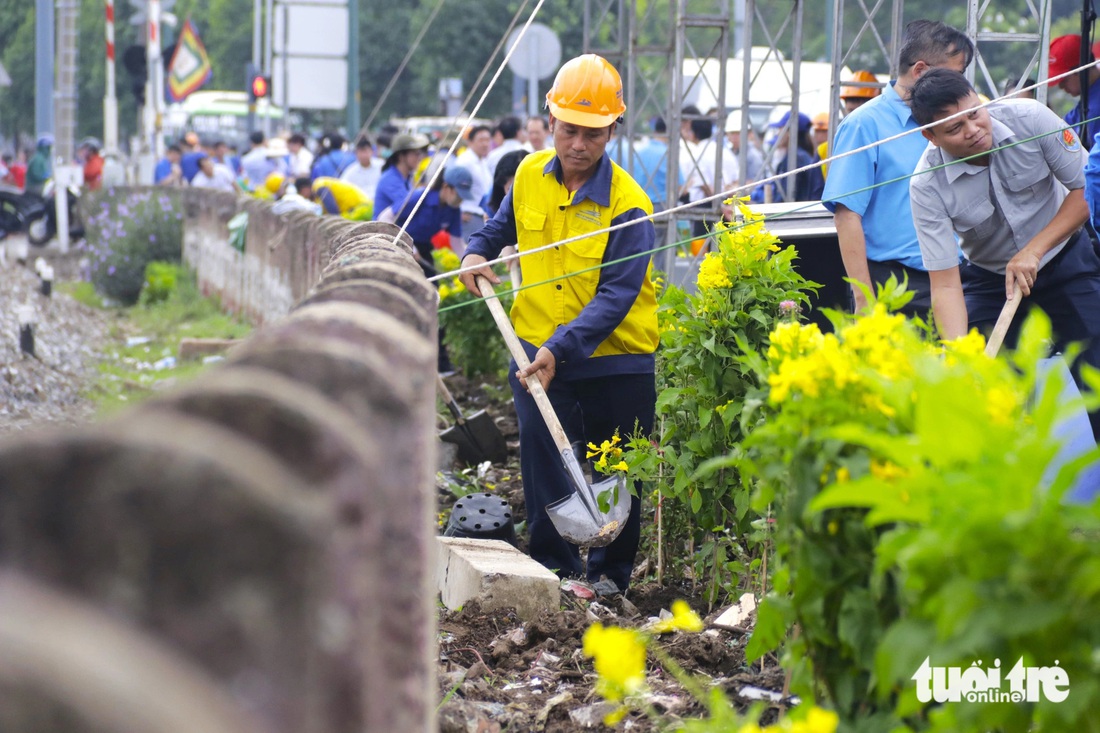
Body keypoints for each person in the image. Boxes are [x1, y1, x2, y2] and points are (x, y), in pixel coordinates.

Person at [458, 54, 658, 595]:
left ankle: (609, 577)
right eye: (570, 130)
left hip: (615, 359)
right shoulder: (526, 175)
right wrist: (475, 254)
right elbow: (497, 228)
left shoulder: (629, 206)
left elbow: (615, 297)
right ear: (551, 121)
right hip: (533, 350)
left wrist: (560, 350)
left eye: (593, 133)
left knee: (617, 469)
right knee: (544, 462)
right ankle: (554, 570)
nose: (578, 144)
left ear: (612, 129)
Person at [909, 67, 1100, 440]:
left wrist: (1034, 249)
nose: (973, 130)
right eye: (954, 128)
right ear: (929, 136)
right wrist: (959, 356)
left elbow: (1085, 194)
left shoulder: (1031, 118)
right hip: (991, 282)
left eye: (974, 113)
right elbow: (946, 285)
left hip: (1066, 260)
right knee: (992, 398)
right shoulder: (925, 185)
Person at [823, 20, 974, 315]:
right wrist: (864, 298)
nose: (960, 86)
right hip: (896, 286)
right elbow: (847, 216)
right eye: (953, 75)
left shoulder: (961, 121)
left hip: (963, 278)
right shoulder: (864, 124)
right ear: (920, 71)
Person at [751, 111, 824, 204]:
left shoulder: (795, 158)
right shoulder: (801, 155)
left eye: (780, 129)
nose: (777, 134)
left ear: (790, 132)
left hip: (798, 215)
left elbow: (783, 198)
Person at [1048, 34, 1100, 146]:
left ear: (1080, 69)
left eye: (1063, 79)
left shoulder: (1095, 108)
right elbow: (1062, 127)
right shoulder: (1088, 97)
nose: (1061, 86)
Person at [372, 132, 430, 222]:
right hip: (382, 233)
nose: (419, 158)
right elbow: (408, 206)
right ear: (401, 156)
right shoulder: (389, 179)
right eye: (415, 153)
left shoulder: (407, 177)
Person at [456, 125, 493, 237]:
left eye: (487, 140)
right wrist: (458, 213)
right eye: (481, 140)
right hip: (470, 216)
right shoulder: (464, 162)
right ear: (470, 142)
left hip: (482, 216)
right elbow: (454, 188)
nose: (485, 144)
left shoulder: (482, 161)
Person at [340, 135, 384, 200]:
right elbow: (342, 186)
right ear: (356, 153)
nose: (363, 155)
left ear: (372, 152)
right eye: (360, 152)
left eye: (366, 151)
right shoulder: (351, 171)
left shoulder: (381, 165)